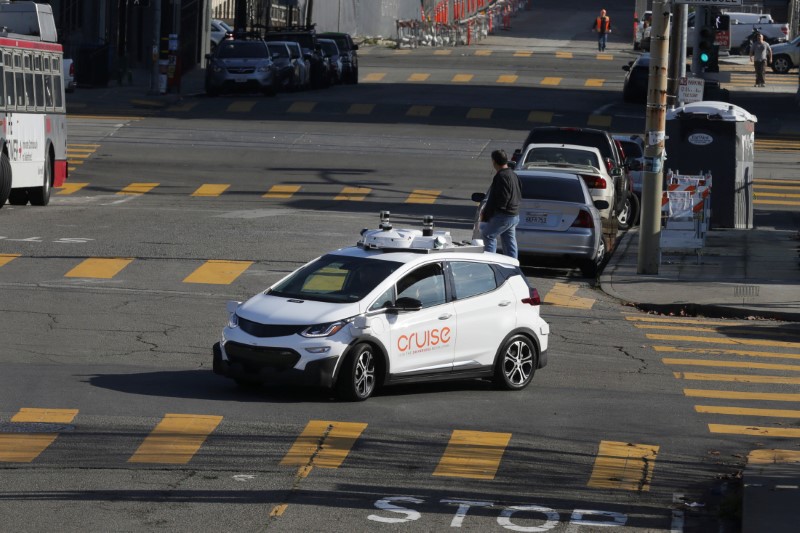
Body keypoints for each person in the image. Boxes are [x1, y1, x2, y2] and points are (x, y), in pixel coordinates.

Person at [480, 149, 521, 259]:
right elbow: (518, 193)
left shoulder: (501, 176)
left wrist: (490, 213)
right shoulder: (513, 174)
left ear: (494, 161)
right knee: (509, 241)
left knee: (488, 235)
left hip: (504, 215)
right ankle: (513, 266)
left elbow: (501, 199)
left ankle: (490, 263)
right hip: (514, 215)